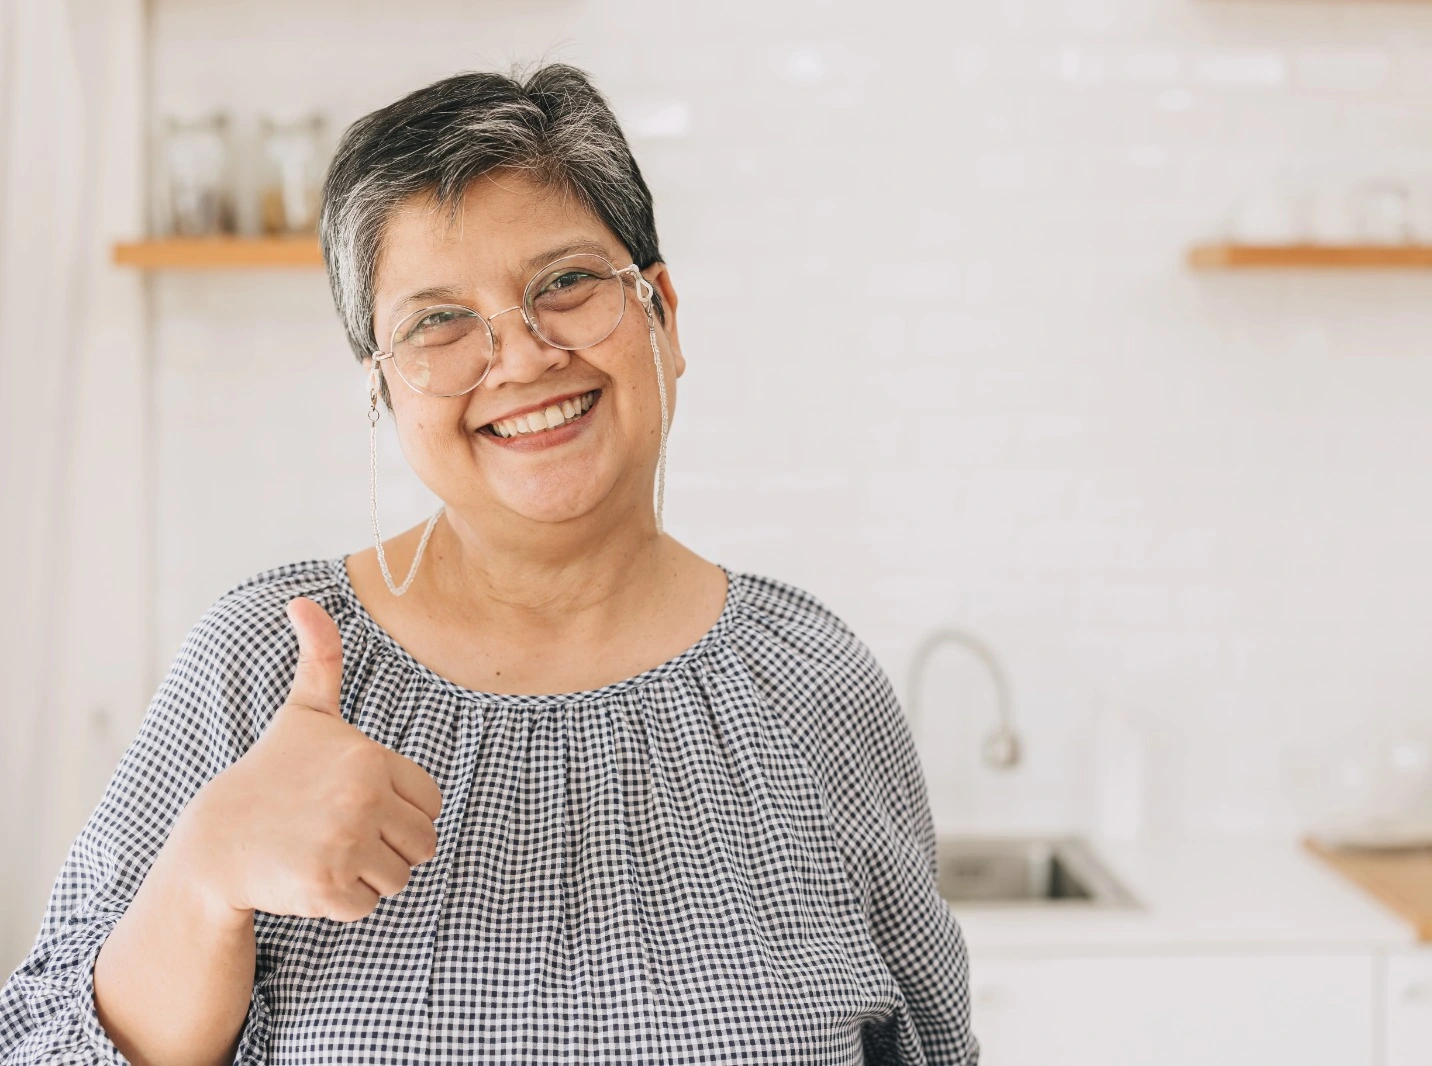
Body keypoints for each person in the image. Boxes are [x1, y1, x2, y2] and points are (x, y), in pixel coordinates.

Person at [0, 64, 977, 1065]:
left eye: (564, 283)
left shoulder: (814, 680)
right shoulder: (258, 665)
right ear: (382, 391)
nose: (519, 356)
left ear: (663, 314)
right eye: (437, 320)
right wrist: (201, 877)